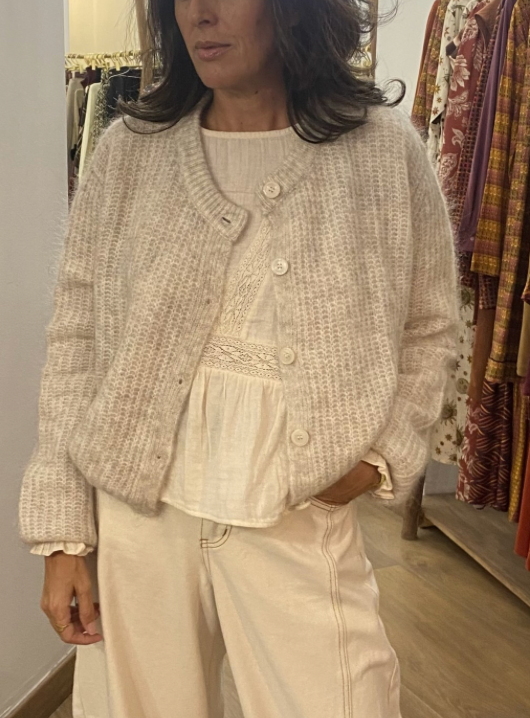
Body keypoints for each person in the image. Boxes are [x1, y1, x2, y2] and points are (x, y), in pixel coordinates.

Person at [17, 0, 459, 716]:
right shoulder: (128, 152)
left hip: (299, 513)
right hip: (138, 522)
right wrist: (62, 532)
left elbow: (430, 323)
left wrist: (382, 454)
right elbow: (77, 343)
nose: (199, 13)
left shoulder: (381, 152)